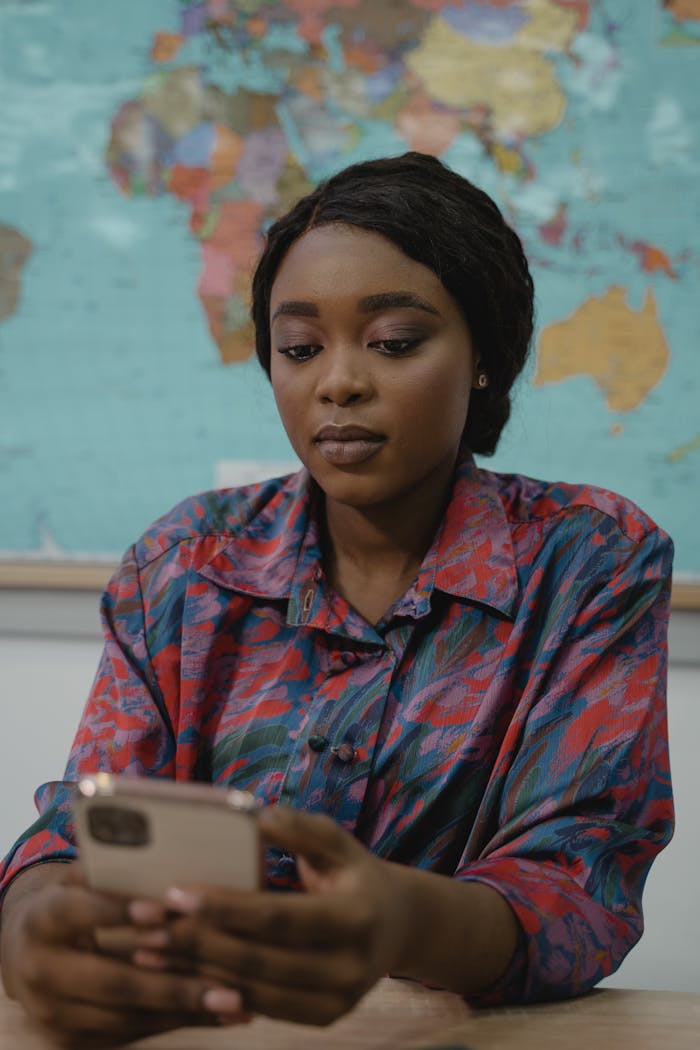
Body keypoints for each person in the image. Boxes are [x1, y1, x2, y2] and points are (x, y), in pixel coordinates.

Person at [0, 152, 673, 1046]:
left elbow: (578, 884)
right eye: (299, 347)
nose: (339, 382)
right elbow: (85, 827)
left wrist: (399, 920)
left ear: (484, 357)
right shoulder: (184, 565)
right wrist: (32, 923)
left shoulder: (589, 561)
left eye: (394, 342)